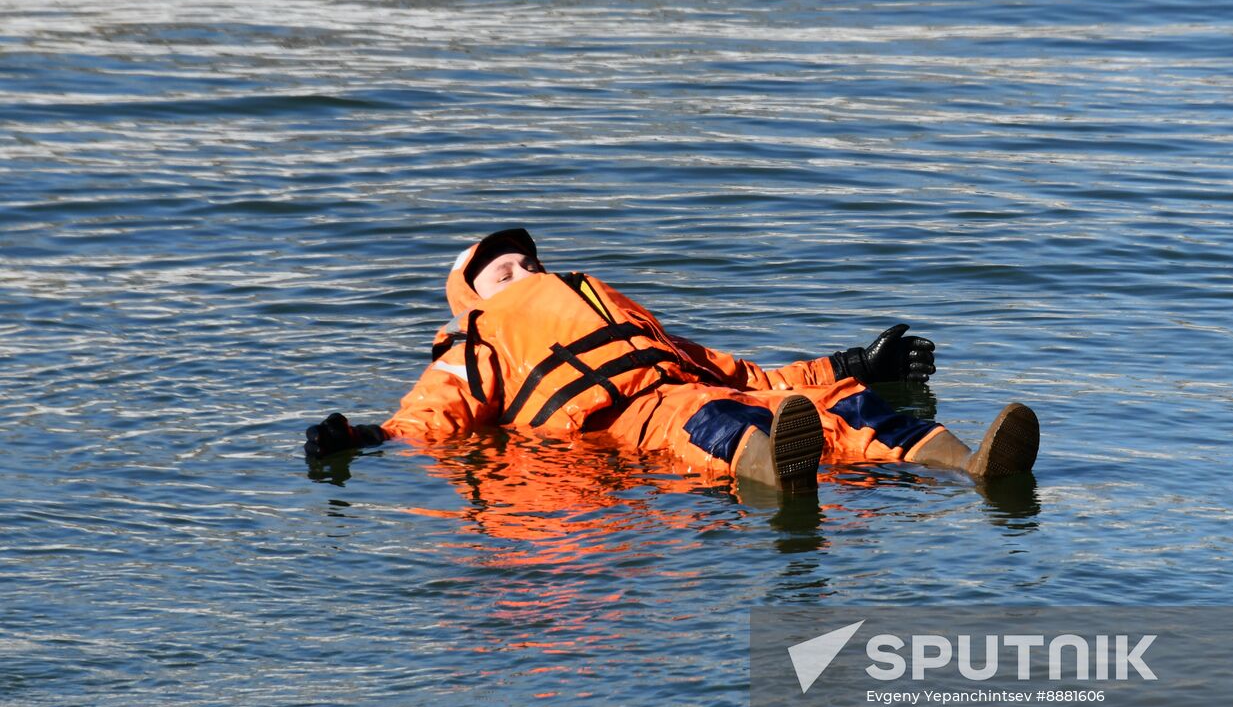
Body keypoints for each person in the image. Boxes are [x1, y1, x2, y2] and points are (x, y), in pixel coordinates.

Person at [304, 228, 1039, 489]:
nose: (525, 272)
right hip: (632, 424)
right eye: (504, 271)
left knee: (842, 405)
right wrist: (363, 439)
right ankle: (781, 481)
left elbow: (747, 374)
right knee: (709, 416)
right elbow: (434, 414)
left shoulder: (615, 311)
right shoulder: (477, 337)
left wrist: (854, 362)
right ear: (469, 300)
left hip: (695, 391)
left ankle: (969, 467)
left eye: (530, 262)